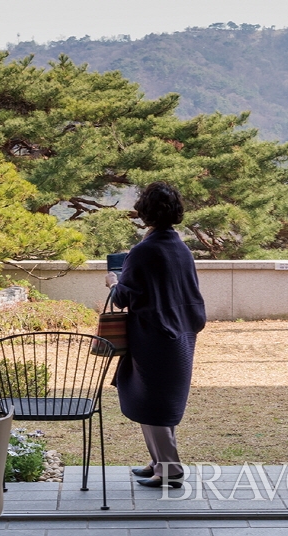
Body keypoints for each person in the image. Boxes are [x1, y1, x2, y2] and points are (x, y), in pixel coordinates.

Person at [105, 182, 206, 489]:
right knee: (157, 400)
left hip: (153, 336)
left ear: (144, 212)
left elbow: (123, 298)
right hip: (180, 333)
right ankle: (158, 462)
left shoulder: (144, 251)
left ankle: (170, 469)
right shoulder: (181, 249)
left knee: (153, 402)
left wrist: (113, 282)